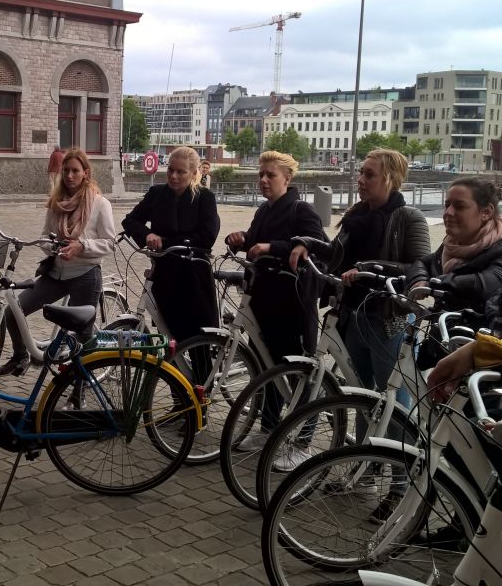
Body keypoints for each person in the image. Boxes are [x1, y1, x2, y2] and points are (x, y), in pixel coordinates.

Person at [293, 149, 430, 399]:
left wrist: (366, 268)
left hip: (388, 320)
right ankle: (364, 440)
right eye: (360, 173)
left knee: (392, 401)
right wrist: (306, 243)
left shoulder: (409, 217)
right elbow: (334, 252)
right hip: (354, 314)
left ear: (389, 178)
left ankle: (399, 440)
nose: (361, 180)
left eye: (369, 175)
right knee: (360, 396)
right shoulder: (355, 215)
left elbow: (418, 266)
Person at [224, 151, 328, 451]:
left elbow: (318, 245)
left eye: (270, 175)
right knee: (266, 368)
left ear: (288, 178)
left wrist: (276, 246)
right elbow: (257, 240)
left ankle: (303, 442)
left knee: (297, 371)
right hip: (264, 299)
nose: (263, 180)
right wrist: (242, 238)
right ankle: (268, 428)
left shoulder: (301, 210)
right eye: (261, 175)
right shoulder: (264, 210)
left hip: (293, 303)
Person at [0, 147, 117, 376]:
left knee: (81, 337)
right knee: (14, 312)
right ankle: (21, 356)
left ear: (86, 173)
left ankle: (77, 389)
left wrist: (82, 246)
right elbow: (44, 235)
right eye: (66, 171)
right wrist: (51, 246)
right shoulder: (56, 203)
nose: (70, 176)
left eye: (75, 171)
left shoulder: (100, 204)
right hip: (56, 273)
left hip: (85, 274)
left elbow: (110, 243)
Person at [123, 146, 220, 345]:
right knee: (167, 334)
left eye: (181, 172)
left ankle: (201, 377)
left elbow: (207, 237)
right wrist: (147, 234)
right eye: (170, 170)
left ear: (194, 173)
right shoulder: (157, 193)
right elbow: (131, 220)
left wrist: (164, 242)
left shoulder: (205, 198)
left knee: (196, 339)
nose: (174, 176)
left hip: (193, 276)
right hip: (164, 272)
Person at [407, 177, 502, 317]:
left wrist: (434, 283)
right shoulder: (451, 245)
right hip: (444, 331)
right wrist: (419, 280)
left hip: (484, 335)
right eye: (447, 205)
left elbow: (485, 283)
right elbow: (422, 262)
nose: (448, 213)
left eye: (459, 206)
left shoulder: (498, 248)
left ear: (486, 212)